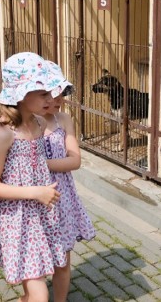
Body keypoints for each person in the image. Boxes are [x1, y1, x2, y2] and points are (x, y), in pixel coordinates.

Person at [0, 52, 67, 302]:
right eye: (42, 93)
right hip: (17, 220)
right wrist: (36, 192)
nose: (50, 98)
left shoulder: (40, 124)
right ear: (21, 94)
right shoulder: (4, 132)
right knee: (39, 293)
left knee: (34, 290)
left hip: (40, 216)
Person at [42, 61, 96, 302]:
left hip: (61, 197)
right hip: (33, 198)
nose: (56, 102)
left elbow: (74, 160)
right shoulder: (25, 122)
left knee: (62, 258)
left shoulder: (63, 120)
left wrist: (38, 167)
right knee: (37, 259)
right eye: (50, 96)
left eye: (60, 96)